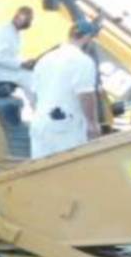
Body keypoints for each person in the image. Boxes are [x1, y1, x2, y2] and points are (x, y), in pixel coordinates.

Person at [30, 19, 101, 158]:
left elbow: (33, 97)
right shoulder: (83, 61)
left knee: (42, 175)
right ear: (87, 38)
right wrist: (92, 124)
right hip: (65, 128)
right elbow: (86, 95)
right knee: (68, 173)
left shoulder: (45, 59)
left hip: (40, 125)